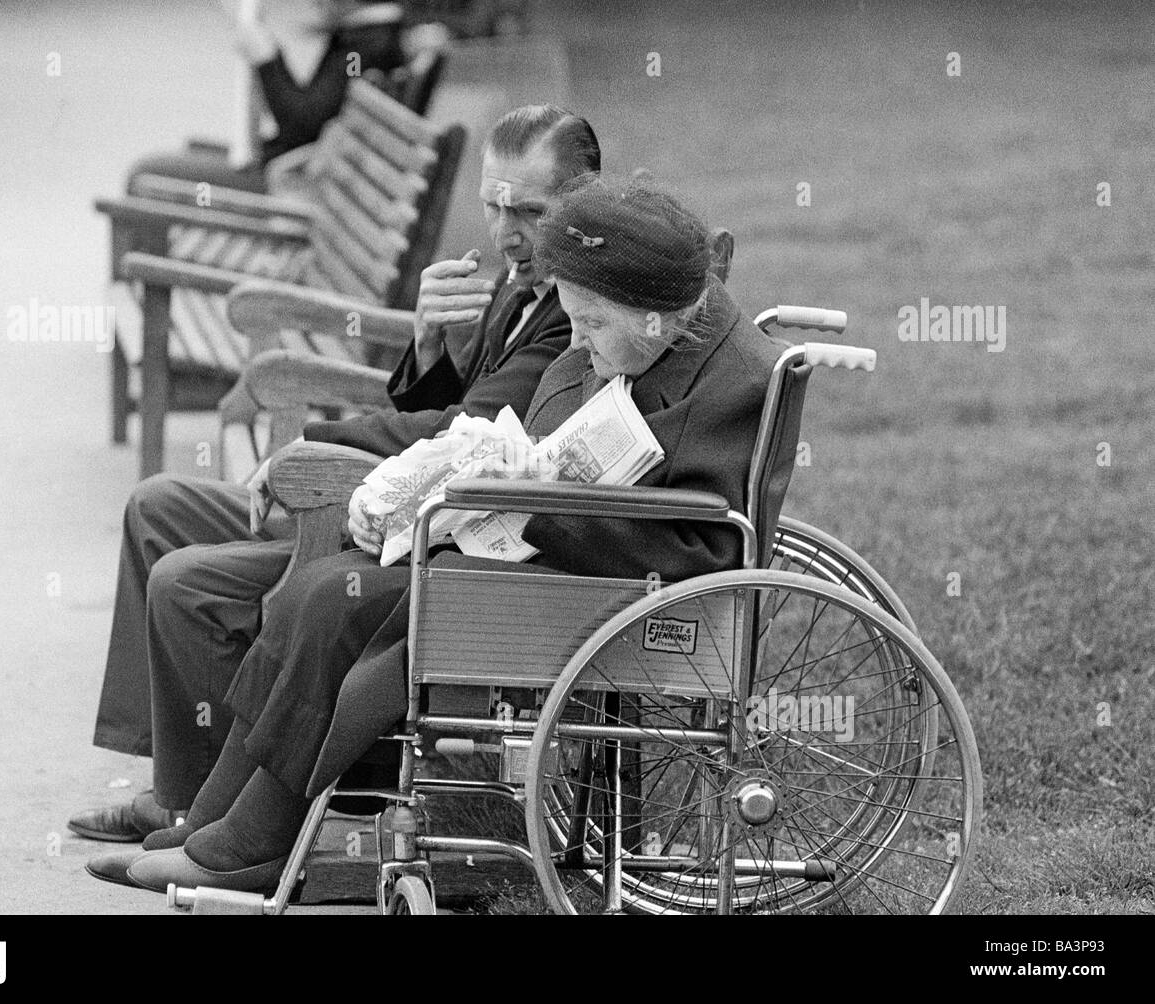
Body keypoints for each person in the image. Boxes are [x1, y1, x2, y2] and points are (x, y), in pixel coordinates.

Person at [119, 173, 787, 894]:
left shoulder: (728, 380)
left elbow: (706, 547)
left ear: (653, 317)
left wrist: (533, 501)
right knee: (317, 586)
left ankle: (251, 843)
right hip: (549, 551)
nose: (581, 343)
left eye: (591, 325)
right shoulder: (651, 338)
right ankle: (223, 819)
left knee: (331, 601)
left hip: (607, 589)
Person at [72, 105, 602, 861]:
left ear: (581, 202)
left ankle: (195, 806)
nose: (506, 227)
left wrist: (312, 445)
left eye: (529, 210)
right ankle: (172, 780)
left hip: (399, 514)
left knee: (188, 580)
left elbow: (457, 439)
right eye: (492, 204)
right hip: (388, 494)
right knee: (157, 507)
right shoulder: (519, 282)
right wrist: (425, 341)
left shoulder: (571, 315)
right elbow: (442, 412)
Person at [127, 1, 408, 194]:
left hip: (291, 184)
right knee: (182, 157)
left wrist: (268, 60)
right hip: (307, 176)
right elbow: (315, 115)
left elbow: (302, 126)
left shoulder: (361, 51)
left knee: (146, 174)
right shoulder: (371, 40)